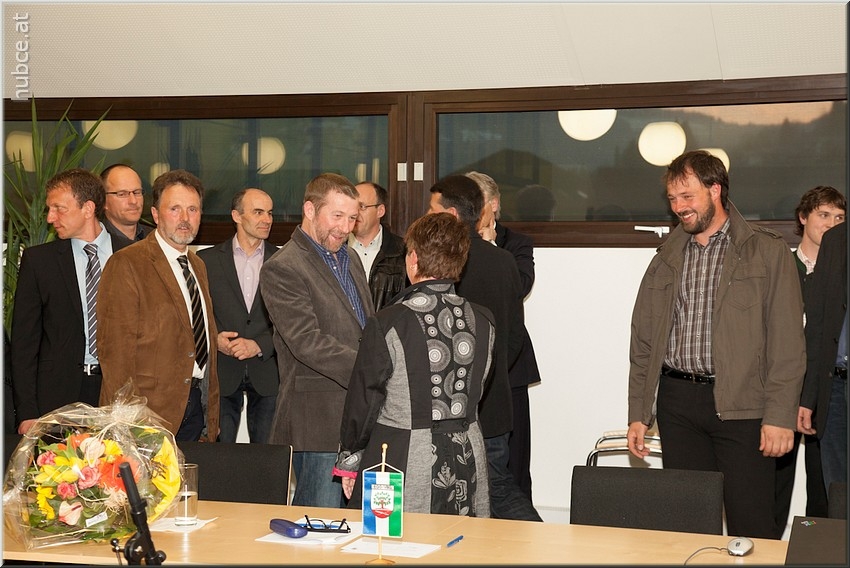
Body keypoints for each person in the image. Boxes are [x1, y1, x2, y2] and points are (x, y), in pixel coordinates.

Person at [626, 150, 806, 540]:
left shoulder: (767, 250)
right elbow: (643, 341)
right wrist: (639, 413)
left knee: (751, 528)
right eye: (673, 199)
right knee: (687, 527)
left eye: (687, 196)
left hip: (744, 407)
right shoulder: (666, 257)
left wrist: (780, 416)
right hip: (677, 405)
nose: (679, 207)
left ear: (715, 190)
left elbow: (788, 342)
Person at [335, 212, 495, 516]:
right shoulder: (484, 321)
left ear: (413, 259)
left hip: (399, 457)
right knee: (462, 540)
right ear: (460, 262)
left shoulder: (390, 321)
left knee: (391, 538)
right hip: (466, 455)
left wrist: (350, 460)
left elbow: (364, 401)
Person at [428, 175, 542, 522]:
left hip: (453, 406)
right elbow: (514, 334)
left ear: (450, 214)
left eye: (432, 209)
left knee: (490, 489)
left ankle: (542, 543)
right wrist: (490, 374)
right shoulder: (503, 260)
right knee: (496, 486)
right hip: (494, 401)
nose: (427, 216)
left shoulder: (442, 262)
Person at [260, 173, 374, 508]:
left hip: (357, 414)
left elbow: (364, 327)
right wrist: (371, 368)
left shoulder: (351, 258)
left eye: (352, 218)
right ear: (310, 210)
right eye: (337, 216)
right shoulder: (283, 267)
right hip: (316, 422)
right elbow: (306, 341)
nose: (345, 227)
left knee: (355, 524)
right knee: (318, 525)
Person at [98, 169, 219, 442]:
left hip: (195, 409)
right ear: (155, 214)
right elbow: (115, 352)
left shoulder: (198, 266)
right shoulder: (128, 263)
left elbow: (201, 340)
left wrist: (210, 414)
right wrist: (128, 423)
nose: (185, 218)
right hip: (147, 415)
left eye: (193, 209)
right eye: (175, 209)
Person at [11, 168, 128, 434]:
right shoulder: (39, 262)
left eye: (59, 209)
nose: (50, 217)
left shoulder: (131, 255)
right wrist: (27, 412)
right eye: (49, 209)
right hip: (56, 398)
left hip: (118, 395)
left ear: (88, 208)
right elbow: (24, 344)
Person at [467, 170, 542, 502]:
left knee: (512, 463)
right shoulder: (456, 243)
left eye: (478, 202)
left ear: (494, 204)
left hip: (509, 367)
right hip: (464, 363)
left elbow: (520, 286)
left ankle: (521, 524)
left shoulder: (517, 243)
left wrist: (491, 249)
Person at [775, 186, 845, 533]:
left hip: (825, 388)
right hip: (784, 388)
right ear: (803, 218)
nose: (831, 224)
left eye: (839, 217)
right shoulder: (783, 267)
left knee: (823, 484)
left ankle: (818, 546)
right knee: (776, 481)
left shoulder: (840, 272)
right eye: (823, 215)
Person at [198, 188, 279, 444]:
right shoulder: (205, 261)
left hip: (268, 371)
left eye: (270, 213)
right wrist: (214, 339)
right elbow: (195, 314)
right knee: (218, 455)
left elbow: (293, 320)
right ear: (236, 216)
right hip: (222, 371)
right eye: (258, 212)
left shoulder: (284, 261)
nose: (267, 219)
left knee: (268, 457)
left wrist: (259, 345)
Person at [798, 221, 847, 504]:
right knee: (837, 494)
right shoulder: (835, 240)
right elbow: (816, 325)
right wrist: (808, 398)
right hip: (836, 390)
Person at [348, 181, 407, 311]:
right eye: (352, 206)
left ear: (380, 211)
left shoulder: (403, 251)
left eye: (362, 206)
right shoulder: (335, 249)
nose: (355, 213)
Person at [100, 163, 153, 246]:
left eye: (137, 192)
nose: (133, 201)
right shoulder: (96, 243)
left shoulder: (156, 239)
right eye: (122, 194)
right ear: (103, 201)